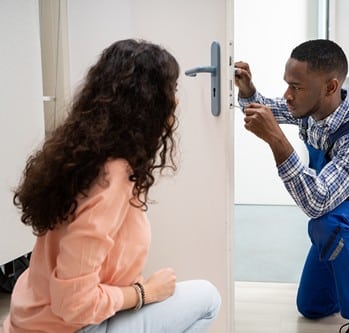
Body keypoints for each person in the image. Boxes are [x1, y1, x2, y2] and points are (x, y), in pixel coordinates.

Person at [2, 39, 221, 333]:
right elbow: (73, 304)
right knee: (208, 298)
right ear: (147, 101)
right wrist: (144, 294)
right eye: (172, 90)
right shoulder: (110, 178)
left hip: (34, 318)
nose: (177, 100)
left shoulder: (84, 154)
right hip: (65, 326)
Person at [234, 39, 349, 333]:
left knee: (327, 223)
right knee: (312, 306)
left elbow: (319, 201)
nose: (287, 96)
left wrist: (277, 140)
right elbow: (265, 107)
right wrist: (247, 91)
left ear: (331, 87)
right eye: (287, 84)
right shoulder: (308, 112)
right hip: (342, 212)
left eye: (297, 87)